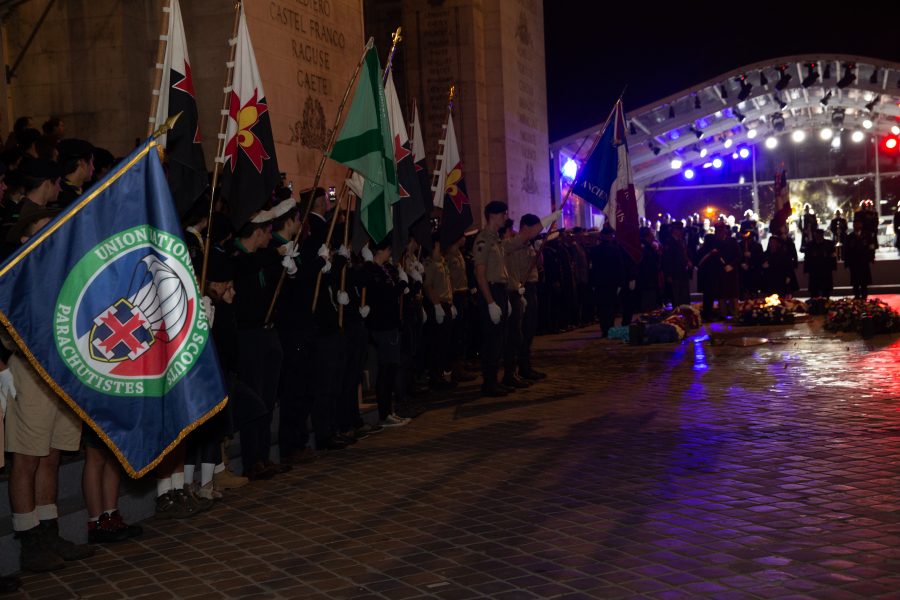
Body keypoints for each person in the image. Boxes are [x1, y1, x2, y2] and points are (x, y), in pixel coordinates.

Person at [2, 208, 95, 572]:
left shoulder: (63, 270)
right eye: (44, 231)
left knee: (53, 455)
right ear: (25, 238)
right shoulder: (13, 273)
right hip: (28, 370)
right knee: (26, 457)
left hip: (62, 372)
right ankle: (28, 537)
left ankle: (48, 529)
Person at [363, 234, 411, 426]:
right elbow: (385, 295)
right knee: (386, 370)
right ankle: (384, 413)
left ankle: (389, 410)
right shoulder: (373, 271)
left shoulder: (385, 269)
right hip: (383, 326)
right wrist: (402, 284)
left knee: (391, 369)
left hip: (391, 325)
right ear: (380, 251)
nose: (391, 252)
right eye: (388, 249)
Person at [473, 201, 511, 397]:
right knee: (491, 340)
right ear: (494, 216)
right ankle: (488, 383)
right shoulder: (483, 240)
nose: (505, 218)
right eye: (503, 214)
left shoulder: (496, 239)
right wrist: (490, 302)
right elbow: (480, 274)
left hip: (499, 290)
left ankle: (494, 380)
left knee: (500, 339)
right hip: (490, 292)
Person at [505, 214, 546, 381]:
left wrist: (539, 249)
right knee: (521, 331)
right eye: (535, 228)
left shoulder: (528, 244)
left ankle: (525, 366)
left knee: (529, 330)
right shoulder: (516, 244)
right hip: (522, 288)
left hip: (531, 287)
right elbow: (519, 269)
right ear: (526, 228)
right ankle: (519, 368)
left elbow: (538, 265)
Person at [422, 233, 457, 390]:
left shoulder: (442, 262)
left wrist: (451, 304)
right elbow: (428, 286)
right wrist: (436, 305)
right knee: (437, 344)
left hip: (446, 304)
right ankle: (435, 378)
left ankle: (441, 375)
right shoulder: (430, 263)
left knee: (445, 343)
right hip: (437, 305)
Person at [589, 224, 624, 336]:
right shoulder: (615, 250)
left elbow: (592, 268)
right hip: (612, 282)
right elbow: (619, 266)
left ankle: (604, 328)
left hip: (600, 282)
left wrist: (593, 282)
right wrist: (620, 282)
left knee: (602, 307)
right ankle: (609, 327)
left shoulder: (595, 250)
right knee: (611, 306)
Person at [55, 139, 94, 208]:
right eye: (91, 162)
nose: (93, 168)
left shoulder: (64, 189)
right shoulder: (65, 197)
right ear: (82, 163)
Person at [662, 221, 692, 307]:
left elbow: (683, 254)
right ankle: (677, 316)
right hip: (674, 273)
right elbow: (666, 260)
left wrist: (688, 261)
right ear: (674, 230)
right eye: (679, 229)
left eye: (681, 229)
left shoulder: (681, 241)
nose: (681, 231)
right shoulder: (669, 242)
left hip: (683, 272)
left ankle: (685, 313)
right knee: (677, 297)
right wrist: (668, 275)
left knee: (684, 296)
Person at [844, 219, 874, 300]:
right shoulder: (850, 236)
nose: (857, 226)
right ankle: (857, 296)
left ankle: (864, 296)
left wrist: (871, 257)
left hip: (864, 261)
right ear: (853, 225)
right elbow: (846, 250)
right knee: (855, 281)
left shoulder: (867, 235)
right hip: (854, 262)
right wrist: (847, 262)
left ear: (861, 225)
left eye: (859, 224)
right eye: (855, 224)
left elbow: (871, 247)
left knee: (864, 281)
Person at [803, 228, 836, 298]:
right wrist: (807, 270)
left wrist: (833, 267)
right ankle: (814, 306)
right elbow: (807, 258)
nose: (818, 236)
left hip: (825, 271)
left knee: (826, 292)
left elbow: (833, 257)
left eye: (820, 235)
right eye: (817, 235)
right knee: (814, 292)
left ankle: (826, 306)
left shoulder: (829, 244)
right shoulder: (810, 245)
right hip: (814, 271)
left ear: (822, 235)